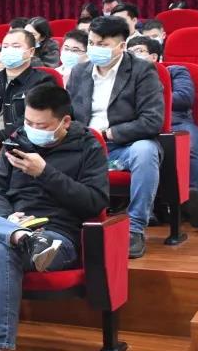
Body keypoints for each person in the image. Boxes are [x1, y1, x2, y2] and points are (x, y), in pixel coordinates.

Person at [0, 85, 109, 351]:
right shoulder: (18, 140)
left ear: (64, 122)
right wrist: (6, 219)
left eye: (40, 125)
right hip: (10, 224)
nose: (32, 129)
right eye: (28, 122)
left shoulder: (88, 146)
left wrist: (45, 173)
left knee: (2, 250)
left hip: (55, 238)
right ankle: (18, 237)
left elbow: (94, 202)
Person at [67, 16, 164, 258]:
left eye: (102, 44)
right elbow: (68, 115)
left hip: (124, 145)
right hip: (85, 145)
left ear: (121, 46)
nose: (95, 49)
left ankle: (135, 228)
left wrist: (108, 133)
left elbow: (152, 120)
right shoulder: (79, 71)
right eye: (92, 43)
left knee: (146, 151)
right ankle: (67, 225)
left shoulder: (142, 71)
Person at [127, 36, 198, 228]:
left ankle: (196, 201)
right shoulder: (125, 77)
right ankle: (150, 209)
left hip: (175, 121)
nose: (133, 55)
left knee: (190, 145)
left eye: (139, 51)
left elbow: (184, 97)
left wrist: (150, 98)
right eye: (129, 52)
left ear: (154, 56)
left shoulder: (175, 71)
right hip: (140, 124)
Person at [0, 29, 54, 168]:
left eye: (16, 46)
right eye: (5, 47)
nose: (9, 50)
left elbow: (34, 120)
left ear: (31, 52)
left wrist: (0, 139)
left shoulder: (43, 81)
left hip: (23, 146)